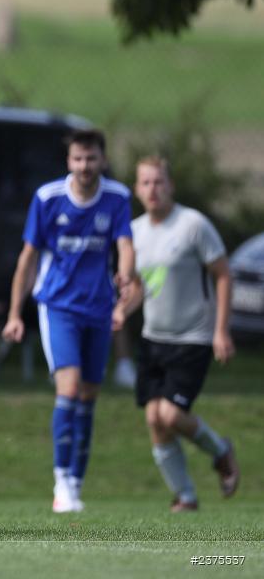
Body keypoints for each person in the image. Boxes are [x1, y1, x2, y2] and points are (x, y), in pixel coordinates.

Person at [2, 129, 135, 513]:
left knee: (90, 397)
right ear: (68, 161)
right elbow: (28, 259)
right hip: (58, 306)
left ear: (102, 160)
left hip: (98, 307)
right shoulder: (48, 199)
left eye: (91, 158)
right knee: (70, 388)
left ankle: (77, 478)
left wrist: (125, 276)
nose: (84, 165)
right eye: (78, 158)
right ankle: (61, 481)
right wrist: (14, 313)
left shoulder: (117, 198)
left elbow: (125, 245)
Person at [116, 155, 239, 512]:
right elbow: (141, 287)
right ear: (137, 189)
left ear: (170, 185)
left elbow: (223, 275)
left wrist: (221, 331)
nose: (153, 189)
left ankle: (220, 450)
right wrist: (122, 310)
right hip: (155, 340)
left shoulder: (192, 225)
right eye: (146, 183)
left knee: (170, 415)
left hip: (194, 338)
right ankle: (185, 496)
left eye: (159, 182)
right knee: (154, 419)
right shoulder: (134, 232)